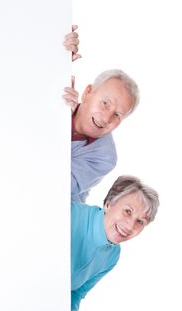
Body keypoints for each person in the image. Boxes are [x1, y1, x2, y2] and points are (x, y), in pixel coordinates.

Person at [64, 175, 160, 311]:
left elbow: (76, 292)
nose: (130, 226)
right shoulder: (68, 216)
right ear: (108, 203)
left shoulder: (112, 255)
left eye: (140, 221)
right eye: (127, 211)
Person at [63, 28, 140, 203]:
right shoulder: (61, 98)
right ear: (88, 92)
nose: (106, 118)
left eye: (118, 115)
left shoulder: (105, 157)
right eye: (105, 103)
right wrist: (56, 56)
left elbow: (56, 183)